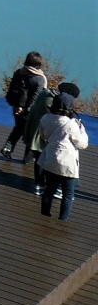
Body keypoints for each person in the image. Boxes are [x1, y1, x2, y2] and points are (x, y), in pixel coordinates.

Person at [38, 92, 88, 222]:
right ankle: (62, 220)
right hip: (67, 164)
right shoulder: (72, 124)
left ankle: (44, 215)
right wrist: (82, 130)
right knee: (68, 194)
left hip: (50, 159)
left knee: (49, 190)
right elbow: (82, 144)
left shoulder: (45, 118)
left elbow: (43, 136)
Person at [1, 52, 49, 159]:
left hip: (16, 107)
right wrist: (27, 110)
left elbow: (13, 89)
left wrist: (18, 107)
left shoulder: (18, 72)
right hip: (31, 111)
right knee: (32, 133)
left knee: (18, 128)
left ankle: (8, 148)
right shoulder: (40, 79)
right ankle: (27, 158)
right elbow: (35, 97)